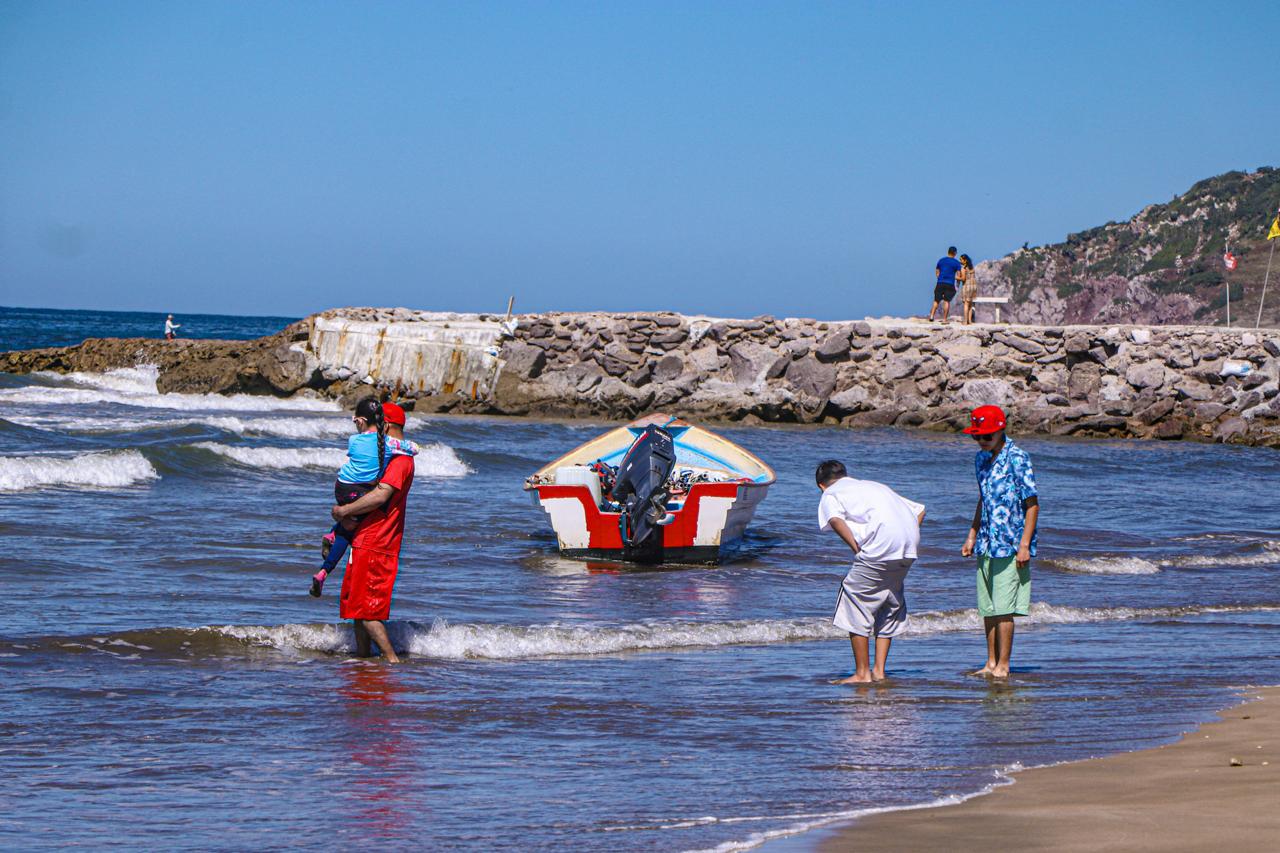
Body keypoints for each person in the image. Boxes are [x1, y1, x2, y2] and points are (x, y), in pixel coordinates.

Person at [816, 460, 926, 684]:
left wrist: (856, 547)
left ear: (821, 485)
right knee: (888, 601)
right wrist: (903, 538)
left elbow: (835, 520)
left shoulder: (830, 493)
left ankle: (862, 673)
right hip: (907, 550)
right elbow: (919, 509)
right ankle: (879, 671)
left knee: (855, 601)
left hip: (880, 549)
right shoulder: (873, 486)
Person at [333, 400, 417, 662]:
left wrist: (344, 512)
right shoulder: (389, 456)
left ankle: (392, 661)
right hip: (365, 540)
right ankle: (362, 660)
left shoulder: (400, 462)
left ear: (387, 425)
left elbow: (381, 496)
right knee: (357, 608)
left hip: (377, 542)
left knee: (369, 613)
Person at [960, 405, 1040, 679]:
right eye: (977, 437)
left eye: (986, 436)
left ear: (1000, 430)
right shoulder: (980, 460)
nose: (981, 441)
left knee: (1004, 608)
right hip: (985, 541)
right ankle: (990, 663)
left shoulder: (1018, 458)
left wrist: (1025, 544)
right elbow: (984, 499)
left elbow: (1032, 504)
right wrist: (971, 534)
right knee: (988, 608)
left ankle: (1003, 666)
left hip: (1011, 542)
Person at [310, 399, 418, 597]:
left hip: (342, 487)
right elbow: (380, 495)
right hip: (373, 531)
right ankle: (326, 564)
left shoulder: (357, 441)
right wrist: (345, 512)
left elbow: (378, 491)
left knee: (346, 526)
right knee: (348, 528)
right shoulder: (393, 450)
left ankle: (329, 550)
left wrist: (343, 511)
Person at [929, 247, 962, 323]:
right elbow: (958, 275)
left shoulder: (941, 260)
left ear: (948, 252)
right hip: (950, 283)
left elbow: (937, 272)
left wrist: (940, 278)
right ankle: (944, 319)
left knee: (936, 300)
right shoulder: (956, 263)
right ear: (955, 253)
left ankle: (931, 316)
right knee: (946, 301)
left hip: (940, 282)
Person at [958, 254, 977, 325]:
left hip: (967, 286)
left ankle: (965, 321)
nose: (960, 261)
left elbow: (963, 279)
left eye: (961, 260)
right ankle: (969, 321)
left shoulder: (963, 268)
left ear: (965, 260)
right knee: (970, 304)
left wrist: (956, 278)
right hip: (973, 286)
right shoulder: (972, 267)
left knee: (966, 304)